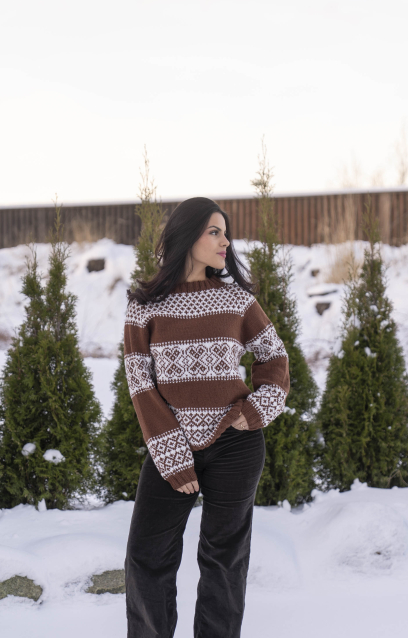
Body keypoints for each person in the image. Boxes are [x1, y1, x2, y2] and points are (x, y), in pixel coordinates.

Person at [123, 196, 290, 638]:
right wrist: (172, 454)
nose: (225, 241)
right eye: (214, 231)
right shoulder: (146, 305)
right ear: (187, 236)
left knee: (224, 561)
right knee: (146, 557)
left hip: (236, 446)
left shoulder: (236, 300)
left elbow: (274, 356)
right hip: (171, 446)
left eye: (225, 232)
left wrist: (255, 410)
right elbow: (140, 382)